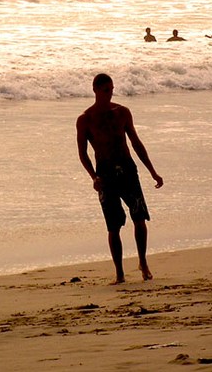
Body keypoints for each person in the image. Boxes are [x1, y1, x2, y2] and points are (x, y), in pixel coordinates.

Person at [76, 73, 164, 284]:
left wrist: (152, 171)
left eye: (112, 89)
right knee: (113, 226)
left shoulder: (122, 112)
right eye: (106, 90)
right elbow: (83, 154)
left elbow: (135, 143)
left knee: (139, 217)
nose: (110, 93)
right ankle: (120, 273)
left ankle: (143, 262)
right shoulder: (85, 119)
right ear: (95, 90)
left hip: (127, 169)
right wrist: (93, 177)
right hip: (105, 174)